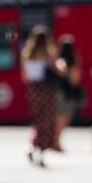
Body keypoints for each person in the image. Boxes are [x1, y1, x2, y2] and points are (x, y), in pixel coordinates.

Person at [21, 25, 59, 167]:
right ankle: (41, 153)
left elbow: (25, 77)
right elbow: (57, 69)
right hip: (45, 88)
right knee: (46, 121)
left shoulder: (26, 53)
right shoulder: (48, 53)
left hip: (32, 89)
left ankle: (31, 147)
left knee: (37, 120)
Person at [54, 34, 82, 152]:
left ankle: (56, 141)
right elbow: (76, 80)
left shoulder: (60, 61)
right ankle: (56, 142)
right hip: (67, 93)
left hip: (60, 93)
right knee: (63, 118)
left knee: (60, 118)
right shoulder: (73, 63)